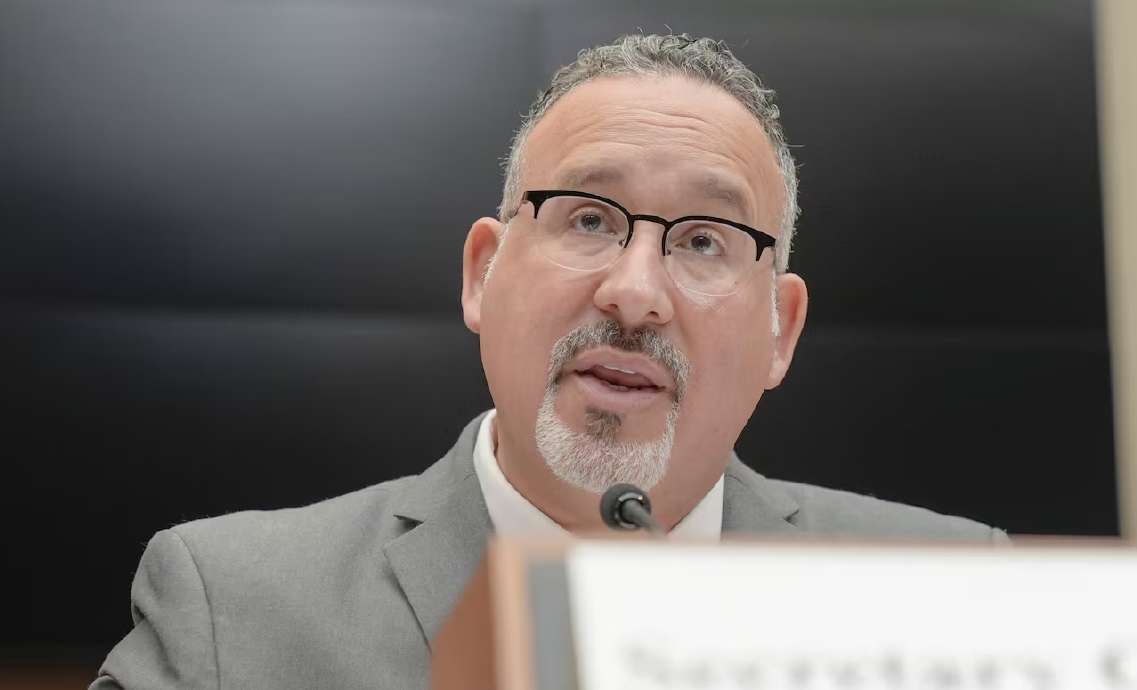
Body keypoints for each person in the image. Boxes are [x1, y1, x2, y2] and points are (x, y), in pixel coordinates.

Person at [92, 33, 1007, 689]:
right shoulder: (232, 607)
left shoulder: (961, 597)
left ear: (781, 330)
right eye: (590, 220)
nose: (636, 292)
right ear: (484, 274)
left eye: (704, 241)